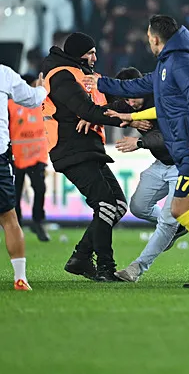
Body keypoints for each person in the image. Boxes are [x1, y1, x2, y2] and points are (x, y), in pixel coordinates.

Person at [97, 16, 189, 289]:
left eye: (149, 38)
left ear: (156, 39)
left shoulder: (181, 63)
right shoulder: (169, 64)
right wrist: (99, 83)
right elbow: (134, 86)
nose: (149, 42)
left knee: (180, 209)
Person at [41, 32, 129, 282]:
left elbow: (110, 104)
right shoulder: (62, 75)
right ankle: (105, 268)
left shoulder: (83, 75)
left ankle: (80, 258)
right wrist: (119, 119)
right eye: (90, 52)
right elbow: (86, 108)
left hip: (89, 148)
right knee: (106, 205)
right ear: (77, 53)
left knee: (117, 206)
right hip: (71, 149)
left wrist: (104, 113)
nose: (95, 57)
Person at [108, 67, 184, 283]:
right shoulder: (131, 103)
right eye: (126, 100)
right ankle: (178, 226)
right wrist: (131, 120)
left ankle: (136, 268)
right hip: (161, 164)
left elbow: (171, 136)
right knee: (138, 207)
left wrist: (140, 141)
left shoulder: (163, 99)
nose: (130, 104)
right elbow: (108, 111)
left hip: (182, 166)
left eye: (133, 98)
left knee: (168, 222)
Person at [0, 66, 47, 290]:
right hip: (1, 157)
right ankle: (20, 278)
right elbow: (32, 100)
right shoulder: (3, 74)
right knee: (9, 219)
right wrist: (41, 89)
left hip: (23, 157)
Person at [9, 74, 50, 242]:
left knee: (40, 188)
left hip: (37, 156)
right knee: (15, 193)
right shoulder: (10, 105)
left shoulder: (42, 102)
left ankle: (38, 222)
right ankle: (16, 225)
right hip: (16, 156)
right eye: (34, 84)